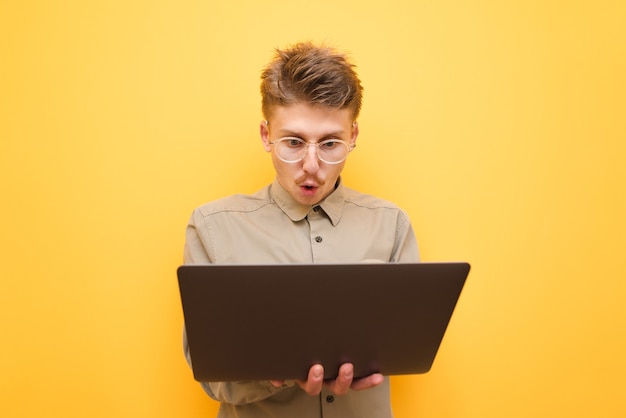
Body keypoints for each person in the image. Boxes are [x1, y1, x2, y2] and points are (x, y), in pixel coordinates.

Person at [182, 41, 419, 418]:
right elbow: (210, 376)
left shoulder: (391, 224)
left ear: (353, 136)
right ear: (265, 135)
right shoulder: (212, 228)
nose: (311, 165)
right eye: (293, 142)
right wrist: (276, 374)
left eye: (330, 143)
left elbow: (406, 346)